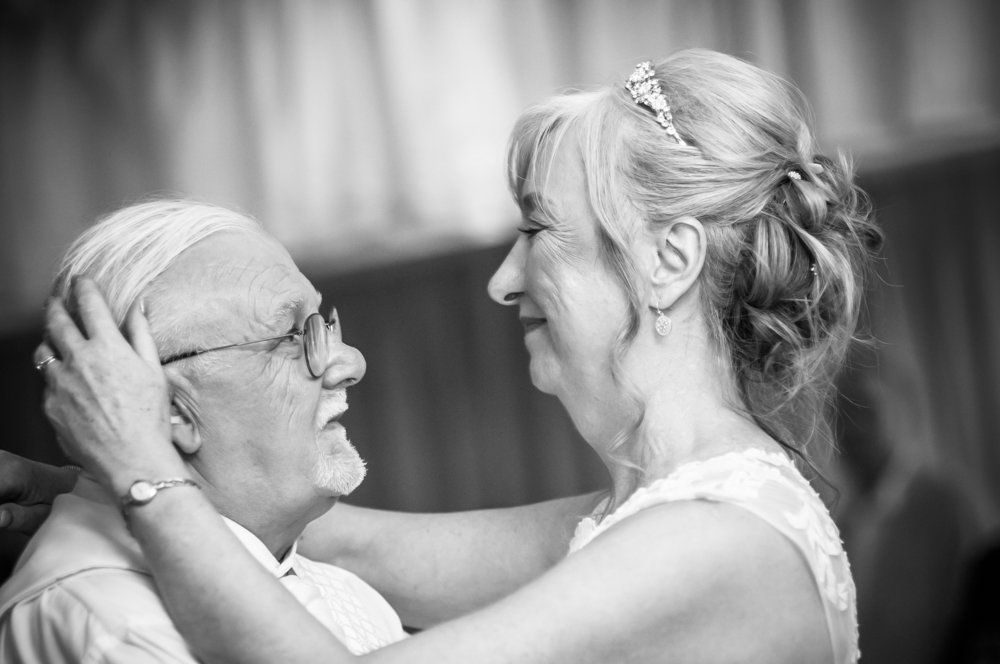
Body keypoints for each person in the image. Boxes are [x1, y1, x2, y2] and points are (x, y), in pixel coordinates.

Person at [24, 48, 881, 663]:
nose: (504, 282)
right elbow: (355, 549)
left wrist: (147, 477)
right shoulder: (654, 513)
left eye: (539, 229)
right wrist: (88, 481)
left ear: (669, 261)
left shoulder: (711, 541)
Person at [0, 200, 408, 662]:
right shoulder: (116, 626)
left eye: (321, 324)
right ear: (167, 409)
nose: (352, 362)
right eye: (293, 337)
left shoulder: (345, 590)